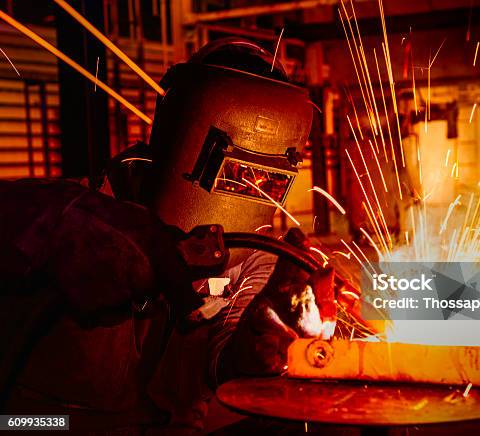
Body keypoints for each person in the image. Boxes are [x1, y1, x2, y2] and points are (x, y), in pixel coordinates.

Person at [0, 38, 336, 433]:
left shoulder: (253, 258)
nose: (247, 186)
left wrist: (260, 341)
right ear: (179, 128)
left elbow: (226, 358)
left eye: (260, 179)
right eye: (236, 172)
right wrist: (58, 221)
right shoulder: (70, 215)